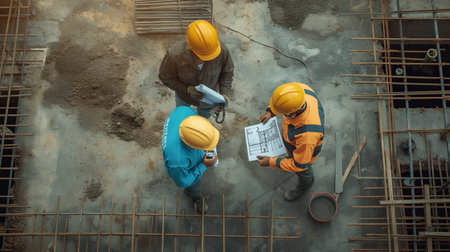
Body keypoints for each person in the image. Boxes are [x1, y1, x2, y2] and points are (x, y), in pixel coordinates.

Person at [256, 82, 325, 201]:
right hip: (296, 141)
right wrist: (270, 111)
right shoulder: (301, 91)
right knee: (292, 159)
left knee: (304, 171)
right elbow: (282, 100)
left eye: (283, 113)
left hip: (303, 153)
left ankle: (304, 187)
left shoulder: (307, 136)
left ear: (292, 113)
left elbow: (299, 165)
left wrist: (271, 162)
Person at [158, 20, 234, 119]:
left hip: (209, 98)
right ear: (190, 48)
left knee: (203, 118)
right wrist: (187, 89)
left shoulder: (220, 50)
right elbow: (165, 77)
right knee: (182, 115)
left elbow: (227, 72)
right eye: (203, 56)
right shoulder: (175, 55)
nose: (208, 59)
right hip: (184, 97)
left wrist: (223, 95)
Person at [161, 106, 219, 213]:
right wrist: (203, 165)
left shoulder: (184, 111)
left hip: (177, 141)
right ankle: (195, 196)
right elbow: (183, 182)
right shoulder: (178, 163)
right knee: (193, 185)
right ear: (193, 146)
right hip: (181, 166)